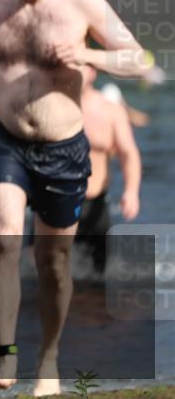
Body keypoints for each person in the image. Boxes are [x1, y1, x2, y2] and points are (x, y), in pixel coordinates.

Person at [0, 0, 150, 396]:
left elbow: (138, 59)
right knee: (5, 237)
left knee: (54, 262)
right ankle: (6, 356)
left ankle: (48, 358)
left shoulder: (82, 2)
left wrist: (89, 56)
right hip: (3, 139)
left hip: (63, 149)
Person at [74, 66, 142, 273]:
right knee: (40, 269)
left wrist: (131, 192)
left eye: (80, 67)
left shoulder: (110, 111)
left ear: (93, 71)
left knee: (100, 274)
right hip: (54, 201)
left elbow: (128, 153)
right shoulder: (50, 106)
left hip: (96, 202)